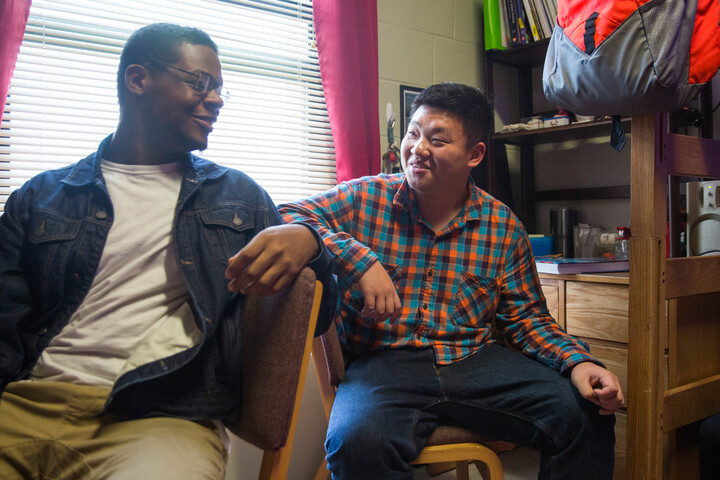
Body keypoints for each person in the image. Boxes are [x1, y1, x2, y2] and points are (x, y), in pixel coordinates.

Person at [0, 23, 335, 479]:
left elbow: (318, 313)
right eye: (201, 83)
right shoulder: (40, 196)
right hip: (25, 403)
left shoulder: (235, 198)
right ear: (138, 80)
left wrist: (311, 242)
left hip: (160, 419)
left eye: (220, 89)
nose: (216, 99)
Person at [279, 82, 625, 479]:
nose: (418, 148)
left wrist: (577, 362)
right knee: (357, 443)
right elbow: (282, 214)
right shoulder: (364, 199)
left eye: (437, 140)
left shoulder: (502, 226)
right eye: (413, 133)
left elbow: (528, 320)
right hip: (383, 364)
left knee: (584, 414)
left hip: (474, 361)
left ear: (475, 154)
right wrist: (358, 260)